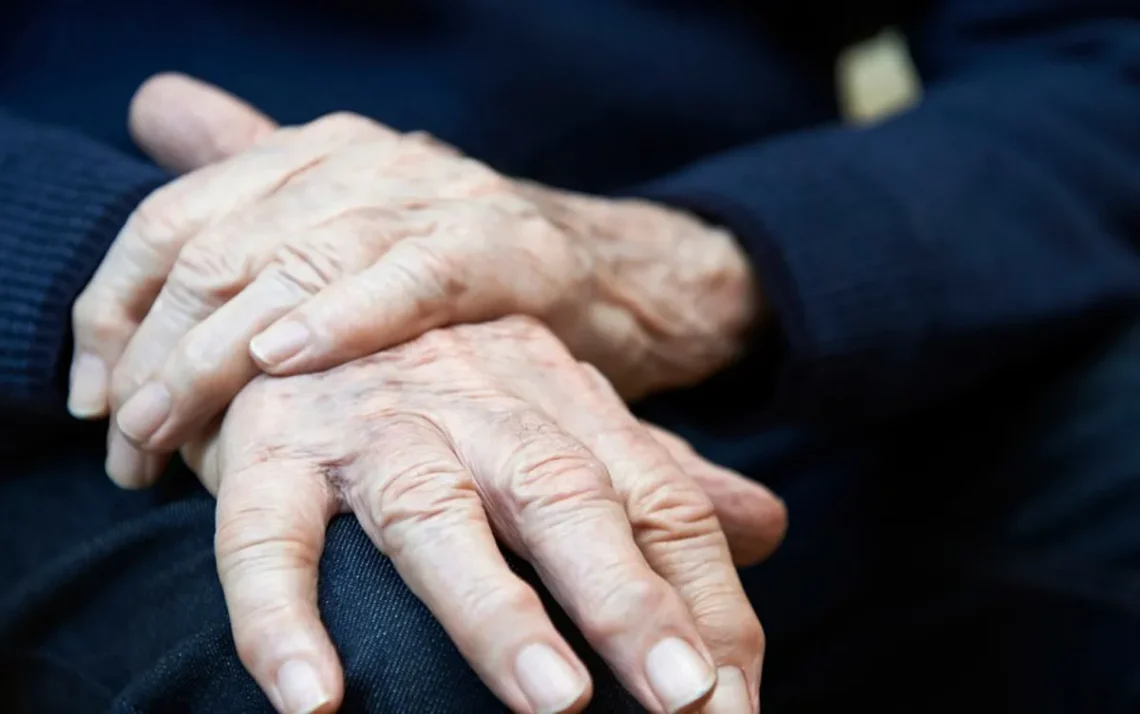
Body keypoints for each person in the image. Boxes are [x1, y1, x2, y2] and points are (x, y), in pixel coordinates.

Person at [2, 0, 1139, 712]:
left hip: (736, 358)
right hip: (79, 400)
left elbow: (1094, 60)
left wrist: (668, 267)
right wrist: (188, 272)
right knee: (393, 638)